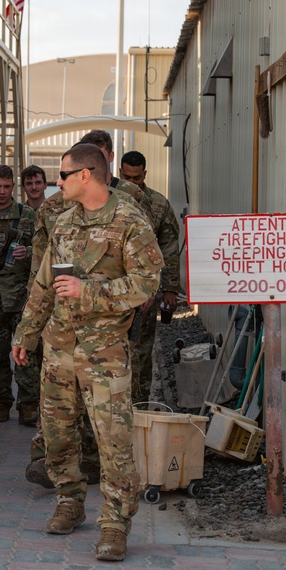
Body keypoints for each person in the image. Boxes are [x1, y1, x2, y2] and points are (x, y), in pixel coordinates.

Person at [12, 143, 163, 562]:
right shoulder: (62, 223)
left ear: (84, 176)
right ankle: (69, 500)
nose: (56, 183)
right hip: (58, 348)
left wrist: (89, 291)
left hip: (105, 352)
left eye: (62, 175)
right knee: (57, 434)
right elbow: (43, 284)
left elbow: (146, 284)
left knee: (112, 442)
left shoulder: (130, 221)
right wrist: (25, 334)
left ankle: (115, 524)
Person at [119, 150, 182, 406]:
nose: (132, 183)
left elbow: (169, 247)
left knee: (142, 351)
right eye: (127, 177)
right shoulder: (107, 201)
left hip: (144, 292)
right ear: (119, 173)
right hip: (112, 291)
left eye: (137, 178)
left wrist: (169, 289)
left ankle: (139, 403)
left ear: (145, 174)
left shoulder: (158, 204)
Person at [0, 165, 37, 425]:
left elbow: (46, 254)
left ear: (13, 187)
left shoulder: (28, 215)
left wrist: (29, 254)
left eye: (7, 187)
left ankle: (28, 405)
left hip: (21, 300)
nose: (2, 192)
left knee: (26, 355)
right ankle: (0, 403)